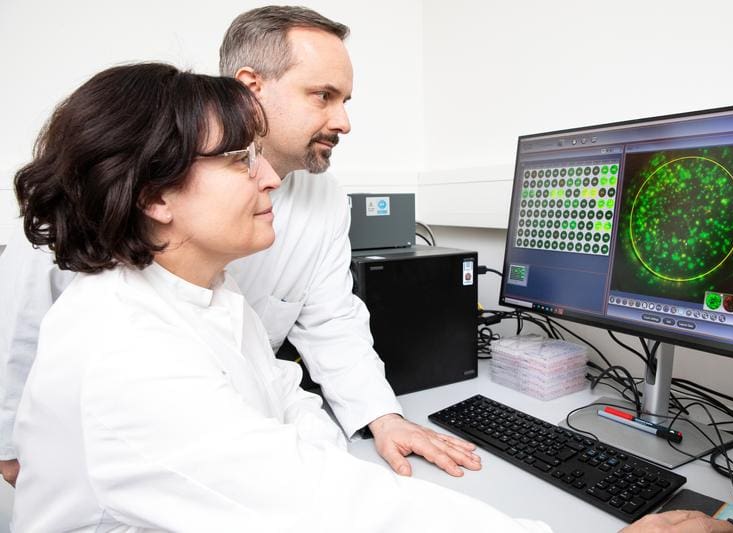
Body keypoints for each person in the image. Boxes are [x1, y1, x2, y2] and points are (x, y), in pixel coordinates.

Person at [10, 61, 550, 532]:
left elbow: (285, 390)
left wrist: (334, 451)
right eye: (239, 159)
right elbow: (334, 512)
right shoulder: (129, 356)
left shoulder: (210, 291)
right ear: (154, 196)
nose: (268, 177)